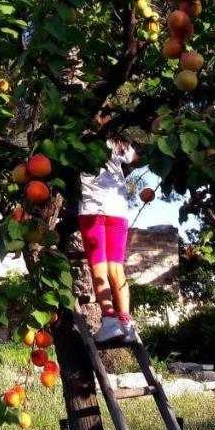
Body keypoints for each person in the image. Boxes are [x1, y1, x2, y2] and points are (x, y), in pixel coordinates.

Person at [80, 137, 140, 343]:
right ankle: (126, 323)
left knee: (99, 267)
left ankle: (109, 321)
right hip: (118, 211)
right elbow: (135, 158)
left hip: (92, 211)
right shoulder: (117, 142)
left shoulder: (77, 141)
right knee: (116, 267)